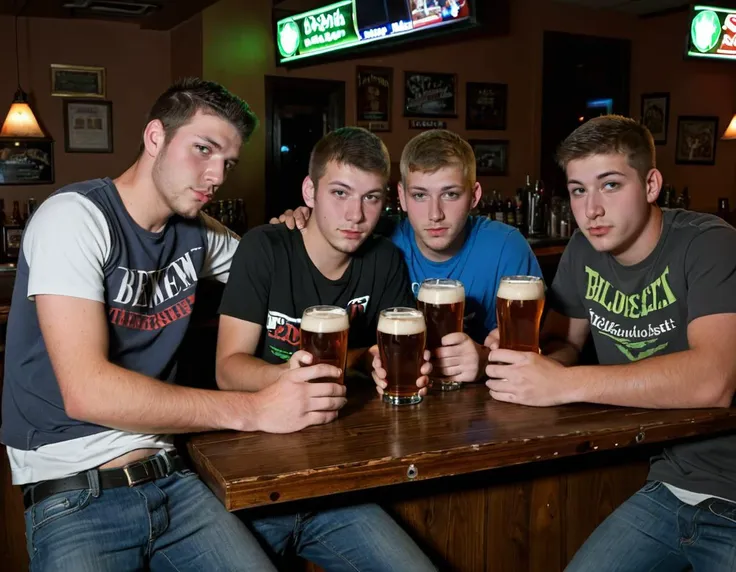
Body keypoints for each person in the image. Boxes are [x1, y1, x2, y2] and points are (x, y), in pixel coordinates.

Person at [0, 78, 345, 572]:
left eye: (227, 162)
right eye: (202, 150)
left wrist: (300, 229)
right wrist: (254, 409)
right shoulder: (74, 217)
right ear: (155, 137)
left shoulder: (198, 233)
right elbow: (88, 392)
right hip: (75, 490)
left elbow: (279, 272)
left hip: (175, 479)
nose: (215, 175)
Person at [484, 115, 736, 571]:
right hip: (668, 484)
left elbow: (713, 382)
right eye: (578, 190)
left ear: (652, 184)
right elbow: (567, 344)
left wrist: (562, 384)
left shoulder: (710, 243)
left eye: (611, 185)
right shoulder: (585, 250)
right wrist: (526, 359)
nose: (591, 209)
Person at [216, 126, 436, 572]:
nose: (355, 214)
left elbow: (383, 357)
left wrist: (374, 363)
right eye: (339, 192)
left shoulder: (384, 260)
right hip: (257, 471)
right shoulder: (266, 247)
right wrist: (291, 379)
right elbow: (228, 368)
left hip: (340, 477)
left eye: (371, 198)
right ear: (309, 192)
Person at [272, 129, 542, 392]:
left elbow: (544, 352)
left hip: (484, 408)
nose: (435, 214)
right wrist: (301, 219)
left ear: (475, 195)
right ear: (400, 196)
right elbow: (326, 231)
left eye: (450, 194)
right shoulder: (378, 238)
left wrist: (484, 361)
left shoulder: (507, 247)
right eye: (420, 195)